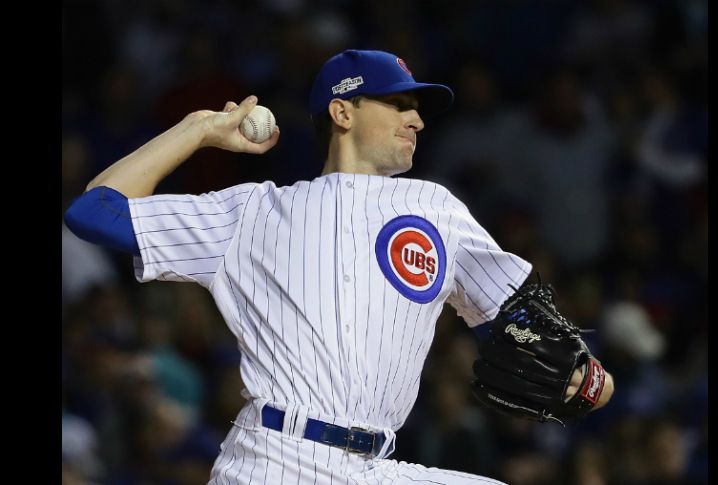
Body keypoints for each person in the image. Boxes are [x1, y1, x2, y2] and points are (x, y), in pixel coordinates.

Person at [65, 49, 614, 484]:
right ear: (342, 110)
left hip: (375, 465)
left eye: (417, 108)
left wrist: (584, 377)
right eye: (399, 103)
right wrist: (197, 130)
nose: (417, 119)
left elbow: (521, 325)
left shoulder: (435, 209)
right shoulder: (253, 210)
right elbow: (95, 210)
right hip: (275, 461)